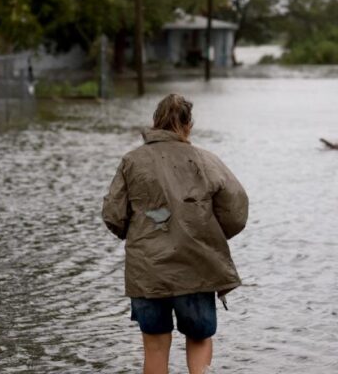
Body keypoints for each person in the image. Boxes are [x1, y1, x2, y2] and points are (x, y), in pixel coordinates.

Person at [102, 94, 248, 374]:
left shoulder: (132, 161)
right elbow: (236, 210)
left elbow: (113, 215)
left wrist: (140, 235)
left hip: (147, 271)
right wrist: (208, 235)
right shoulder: (206, 160)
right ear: (188, 125)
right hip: (197, 267)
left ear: (155, 122)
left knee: (155, 346)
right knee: (199, 338)